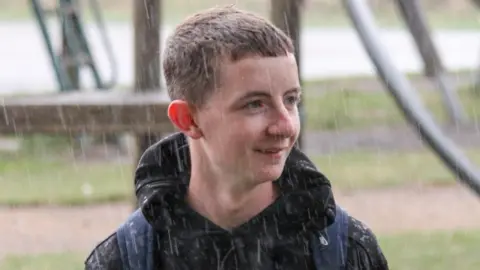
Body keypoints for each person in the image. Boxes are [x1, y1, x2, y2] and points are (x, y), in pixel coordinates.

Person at [85, 5, 389, 270]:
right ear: (188, 119)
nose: (284, 125)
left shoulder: (347, 253)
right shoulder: (123, 261)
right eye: (255, 104)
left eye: (291, 100)